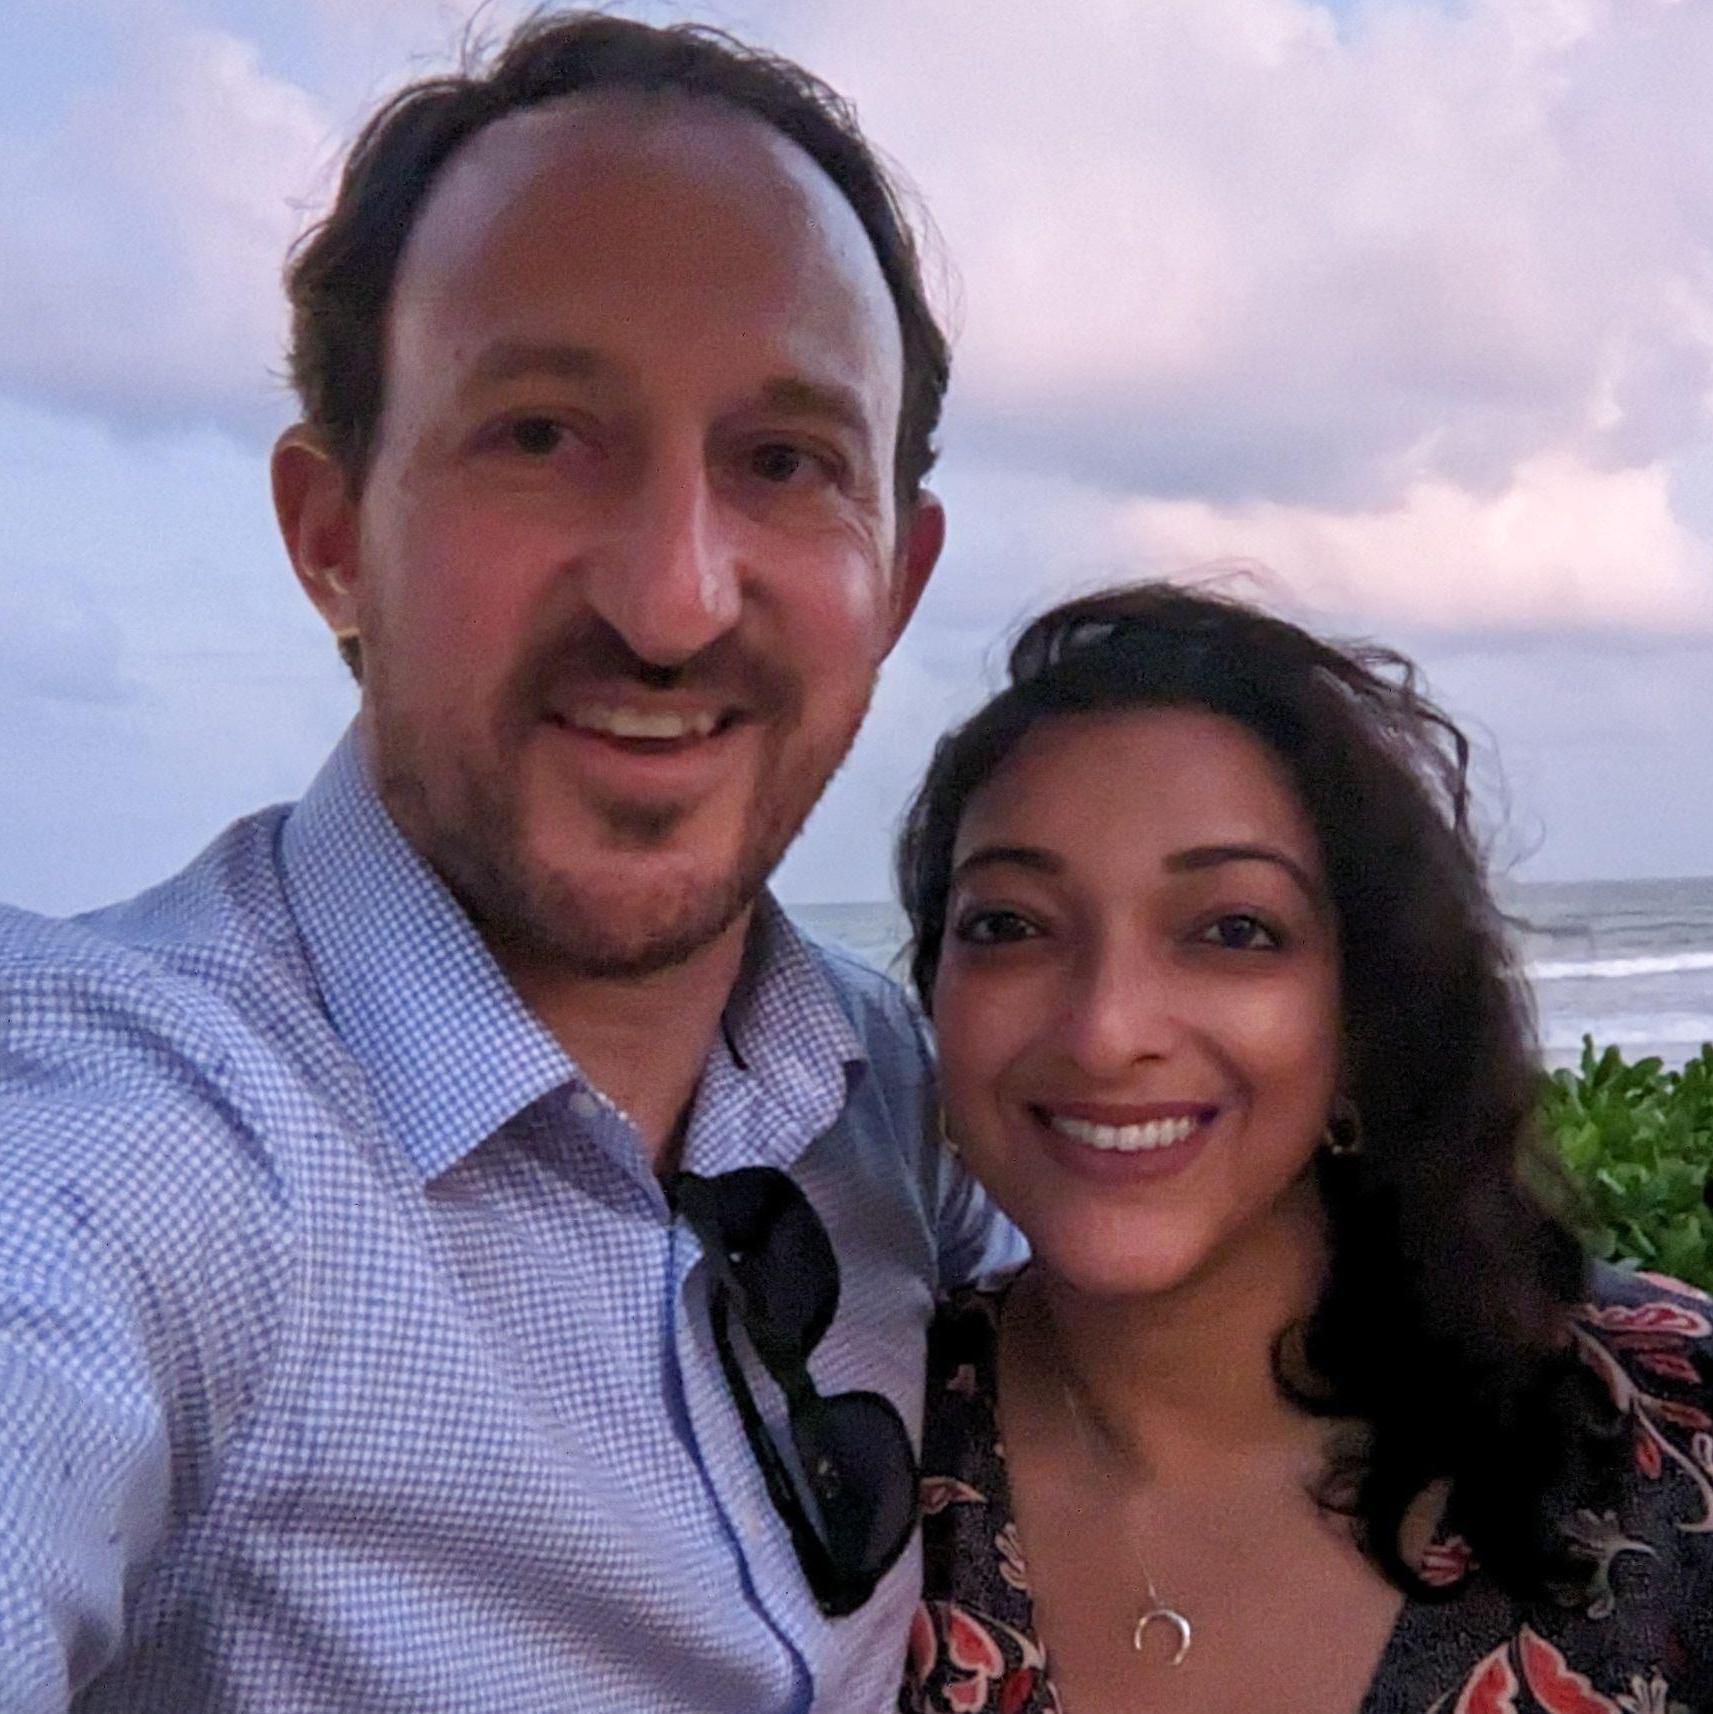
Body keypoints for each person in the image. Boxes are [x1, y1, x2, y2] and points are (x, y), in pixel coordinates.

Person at [0, 13, 1021, 1712]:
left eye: (784, 460)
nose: (671, 598)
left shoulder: (900, 1094)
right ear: (333, 536)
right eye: (541, 433)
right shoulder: (143, 1135)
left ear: (895, 579)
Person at [894, 583, 1713, 1714]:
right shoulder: (847, 1445)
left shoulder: (1671, 1436)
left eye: (1234, 929)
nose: (1105, 1029)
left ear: (1365, 1012)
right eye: (1010, 925)